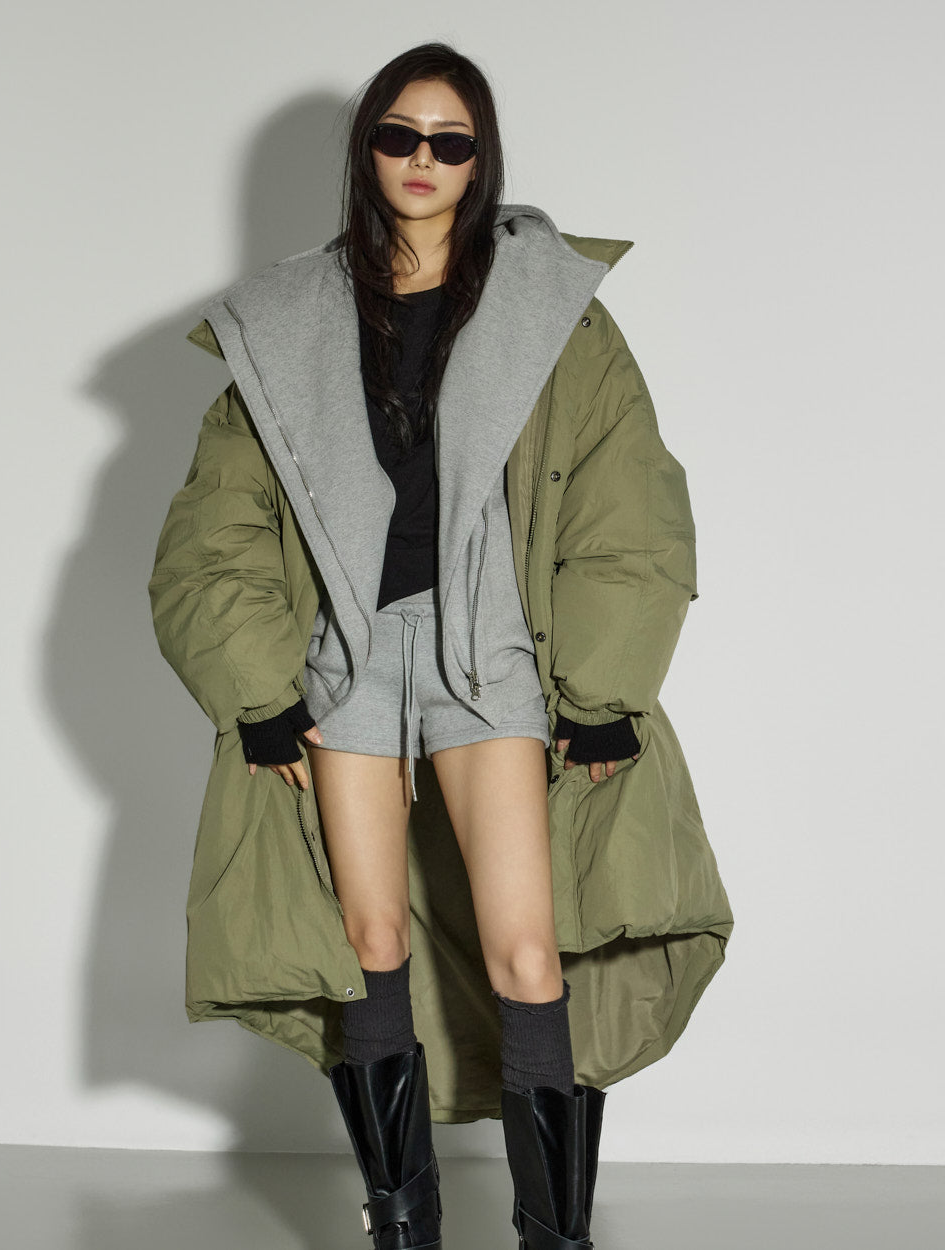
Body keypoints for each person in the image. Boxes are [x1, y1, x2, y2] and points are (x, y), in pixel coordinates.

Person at [148, 41, 733, 1250]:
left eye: (450, 141)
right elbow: (217, 526)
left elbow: (629, 503)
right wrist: (257, 688)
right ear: (367, 149)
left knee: (526, 946)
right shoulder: (287, 321)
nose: (423, 159)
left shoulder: (551, 314)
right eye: (398, 135)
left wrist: (603, 685)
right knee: (368, 941)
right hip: (349, 659)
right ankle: (402, 1226)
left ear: (481, 162)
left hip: (491, 651)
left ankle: (553, 1235)